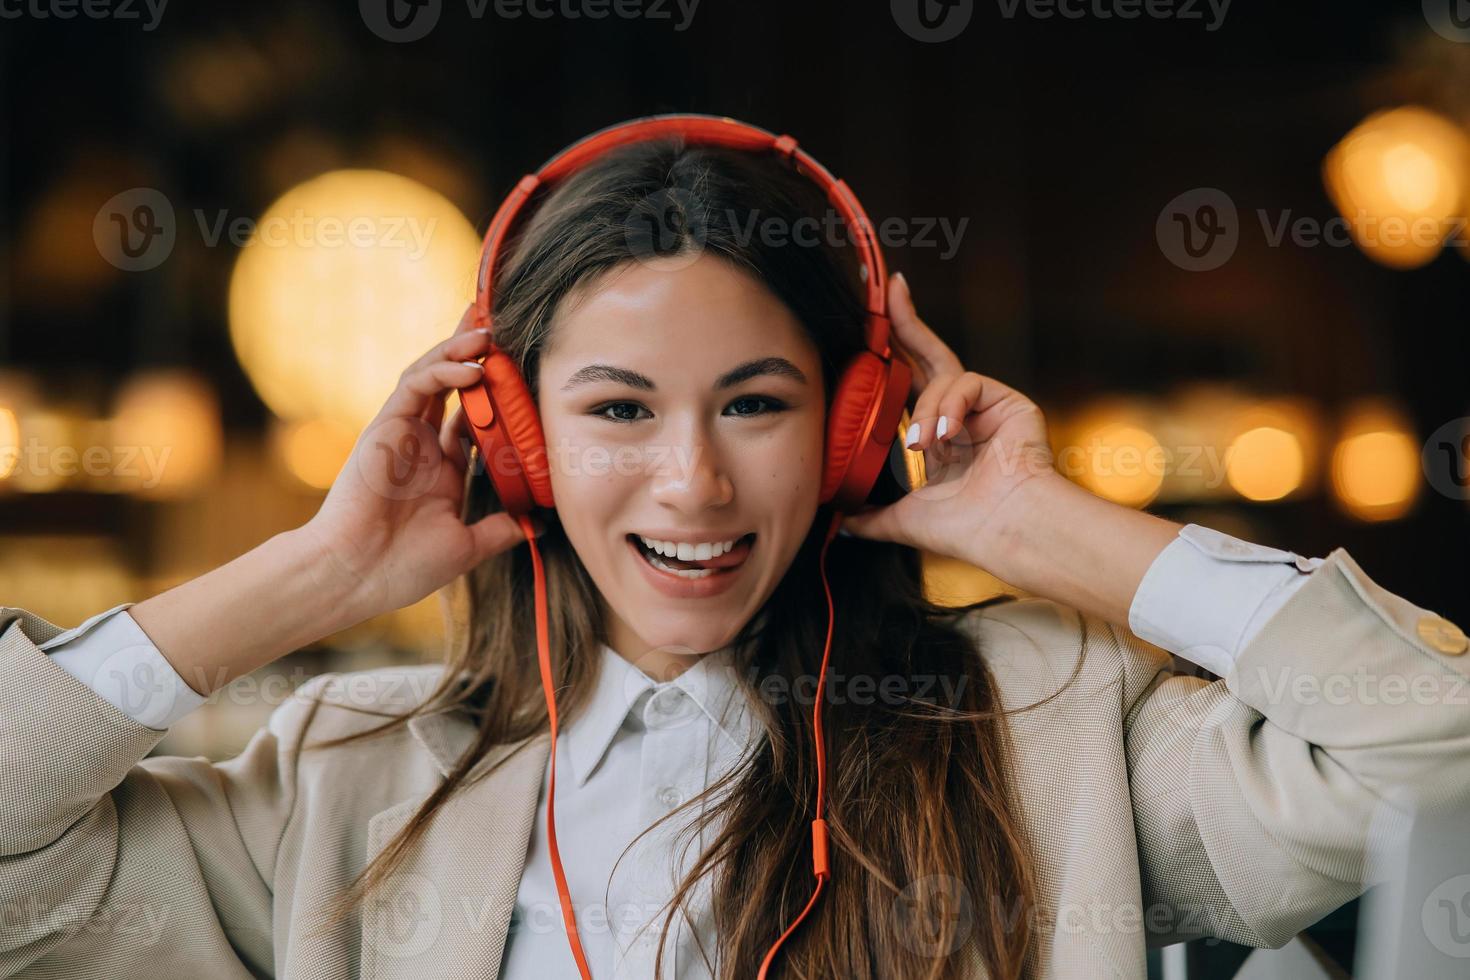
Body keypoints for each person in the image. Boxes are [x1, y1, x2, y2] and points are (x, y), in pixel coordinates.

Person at [3, 135, 1468, 980]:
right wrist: (307, 578)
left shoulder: (1047, 726)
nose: (692, 481)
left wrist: (1052, 530)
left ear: (850, 430)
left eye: (757, 405)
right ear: (514, 440)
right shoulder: (342, 776)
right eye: (617, 410)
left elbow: (1437, 755)